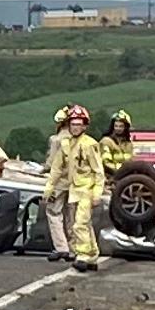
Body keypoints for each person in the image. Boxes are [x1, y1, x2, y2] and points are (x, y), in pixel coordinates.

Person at [42, 104, 107, 273]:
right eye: (73, 124)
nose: (75, 127)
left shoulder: (90, 144)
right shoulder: (65, 144)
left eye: (79, 124)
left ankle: (83, 255)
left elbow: (98, 171)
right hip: (73, 190)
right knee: (83, 223)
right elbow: (56, 168)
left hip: (87, 189)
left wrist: (97, 193)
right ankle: (92, 254)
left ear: (85, 126)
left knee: (80, 223)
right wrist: (49, 187)